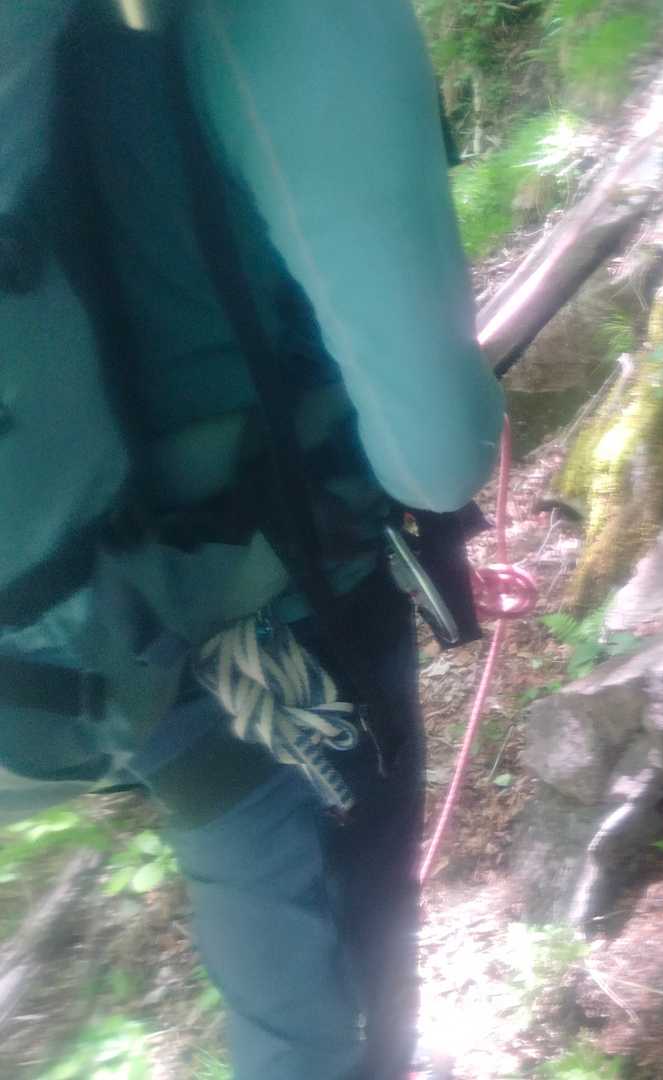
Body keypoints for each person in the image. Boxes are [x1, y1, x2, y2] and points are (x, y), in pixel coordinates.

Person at [0, 1, 503, 1077]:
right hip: (289, 601)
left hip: (84, 622)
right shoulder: (287, 22)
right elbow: (435, 454)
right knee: (349, 973)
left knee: (274, 944)